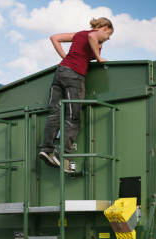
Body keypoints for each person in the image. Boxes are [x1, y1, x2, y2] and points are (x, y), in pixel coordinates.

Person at [38, 17, 114, 173]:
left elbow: (54, 38)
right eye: (109, 35)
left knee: (54, 113)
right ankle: (63, 155)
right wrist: (99, 58)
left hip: (60, 72)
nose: (107, 39)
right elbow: (93, 36)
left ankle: (47, 149)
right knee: (73, 116)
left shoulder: (79, 34)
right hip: (75, 75)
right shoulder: (96, 33)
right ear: (105, 27)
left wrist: (65, 58)